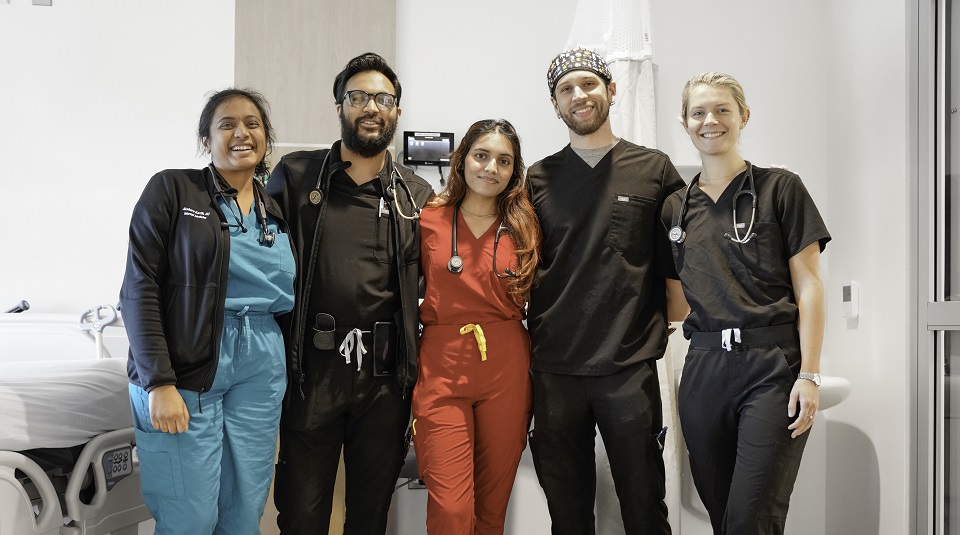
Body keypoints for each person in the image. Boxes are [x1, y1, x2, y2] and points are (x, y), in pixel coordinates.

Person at [266, 52, 433, 534]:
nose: (371, 107)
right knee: (301, 513)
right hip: (311, 375)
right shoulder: (295, 177)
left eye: (383, 98)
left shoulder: (416, 195)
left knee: (370, 515)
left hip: (384, 381)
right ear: (339, 106)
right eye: (358, 97)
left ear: (397, 111)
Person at [525, 48, 687, 534]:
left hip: (628, 368)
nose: (579, 95)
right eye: (566, 89)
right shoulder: (536, 179)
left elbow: (678, 263)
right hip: (555, 368)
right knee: (568, 517)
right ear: (555, 104)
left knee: (644, 510)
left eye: (589, 84)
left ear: (611, 90)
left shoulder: (654, 170)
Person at [660, 72, 830, 535]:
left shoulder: (780, 188)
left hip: (771, 366)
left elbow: (810, 286)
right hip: (703, 369)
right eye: (698, 113)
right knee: (722, 518)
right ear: (685, 122)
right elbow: (676, 304)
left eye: (721, 110)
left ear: (743, 117)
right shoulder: (675, 209)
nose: (709, 121)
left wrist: (809, 374)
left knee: (751, 521)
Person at [121, 88, 294, 534]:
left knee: (244, 510)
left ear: (266, 137)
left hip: (261, 362)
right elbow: (139, 288)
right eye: (227, 124)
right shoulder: (174, 189)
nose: (242, 132)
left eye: (253, 124)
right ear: (206, 139)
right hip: (189, 361)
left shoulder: (275, 210)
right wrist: (158, 380)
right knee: (190, 515)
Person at [412, 119, 540, 534]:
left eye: (504, 161)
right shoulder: (427, 218)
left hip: (506, 365)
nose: (491, 168)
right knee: (450, 506)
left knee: (491, 504)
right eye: (481, 156)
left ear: (514, 170)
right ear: (461, 159)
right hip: (442, 363)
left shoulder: (526, 225)